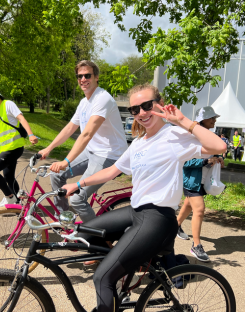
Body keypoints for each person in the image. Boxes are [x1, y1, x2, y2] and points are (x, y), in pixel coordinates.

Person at [62, 84, 226, 312]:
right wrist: (78, 184)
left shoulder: (175, 135)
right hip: (135, 211)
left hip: (157, 217)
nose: (141, 113)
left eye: (147, 106)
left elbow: (219, 146)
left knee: (102, 278)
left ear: (159, 104)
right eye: (135, 109)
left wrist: (183, 121)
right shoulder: (138, 143)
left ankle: (113, 278)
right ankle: (120, 274)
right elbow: (112, 171)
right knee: (83, 233)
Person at [39, 60, 127, 223]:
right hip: (92, 152)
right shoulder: (84, 102)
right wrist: (49, 148)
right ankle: (63, 219)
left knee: (77, 199)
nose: (83, 79)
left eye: (87, 75)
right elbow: (69, 128)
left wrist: (66, 161)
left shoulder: (102, 99)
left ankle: (100, 239)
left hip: (109, 156)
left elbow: (86, 135)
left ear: (96, 77)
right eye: (80, 76)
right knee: (56, 174)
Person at [177, 106, 224, 262]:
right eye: (212, 118)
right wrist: (205, 161)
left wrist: (217, 158)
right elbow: (185, 161)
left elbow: (212, 151)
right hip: (192, 180)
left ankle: (174, 226)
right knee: (199, 209)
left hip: (201, 180)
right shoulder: (191, 136)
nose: (214, 120)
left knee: (188, 205)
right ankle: (196, 246)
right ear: (203, 119)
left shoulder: (209, 136)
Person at [0, 93, 38, 206]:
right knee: (8, 176)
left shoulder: (8, 104)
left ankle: (9, 197)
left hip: (14, 148)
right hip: (5, 149)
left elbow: (21, 118)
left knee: (8, 176)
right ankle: (18, 202)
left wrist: (31, 134)